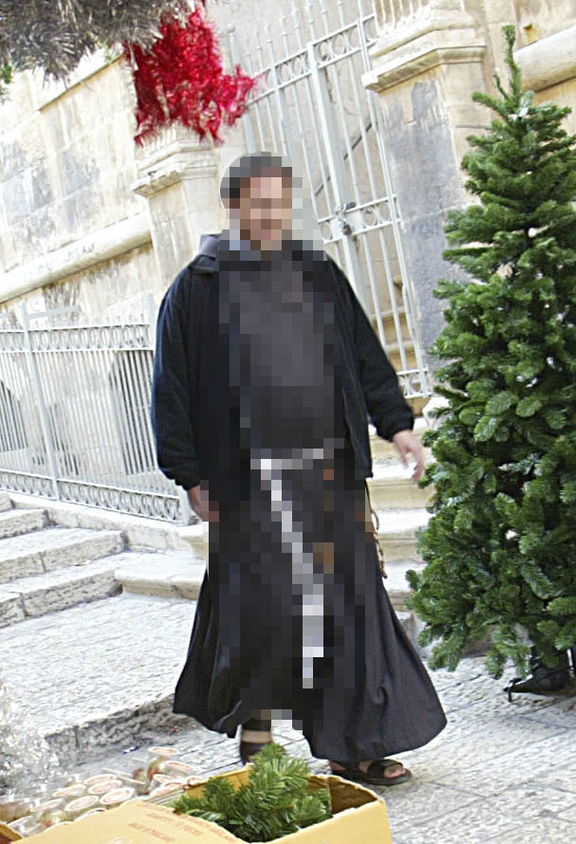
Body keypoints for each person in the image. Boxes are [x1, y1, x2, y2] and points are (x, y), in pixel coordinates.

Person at [150, 152, 446, 786]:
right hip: (248, 483)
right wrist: (190, 475)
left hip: (330, 475)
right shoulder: (196, 288)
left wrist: (398, 425)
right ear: (232, 207)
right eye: (258, 203)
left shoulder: (317, 274)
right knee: (268, 608)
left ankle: (356, 745)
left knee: (348, 606)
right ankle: (257, 732)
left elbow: (365, 354)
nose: (271, 215)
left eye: (279, 203)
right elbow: (171, 388)